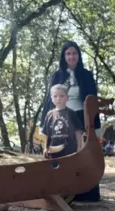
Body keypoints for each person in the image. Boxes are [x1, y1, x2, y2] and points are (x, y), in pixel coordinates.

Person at [42, 41, 101, 201]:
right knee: (62, 154)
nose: (71, 56)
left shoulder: (87, 75)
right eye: (68, 53)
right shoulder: (56, 76)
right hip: (61, 118)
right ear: (64, 56)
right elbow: (49, 100)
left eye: (74, 53)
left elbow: (92, 101)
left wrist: (95, 126)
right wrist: (46, 123)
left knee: (83, 154)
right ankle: (63, 192)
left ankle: (86, 193)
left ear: (79, 56)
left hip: (82, 118)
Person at [42, 84, 83, 159]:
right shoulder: (49, 115)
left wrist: (79, 148)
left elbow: (78, 132)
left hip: (70, 151)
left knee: (69, 170)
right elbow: (47, 134)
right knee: (54, 170)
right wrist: (45, 148)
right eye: (55, 96)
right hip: (53, 151)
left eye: (61, 96)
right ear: (51, 98)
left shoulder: (71, 113)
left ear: (67, 98)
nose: (58, 99)